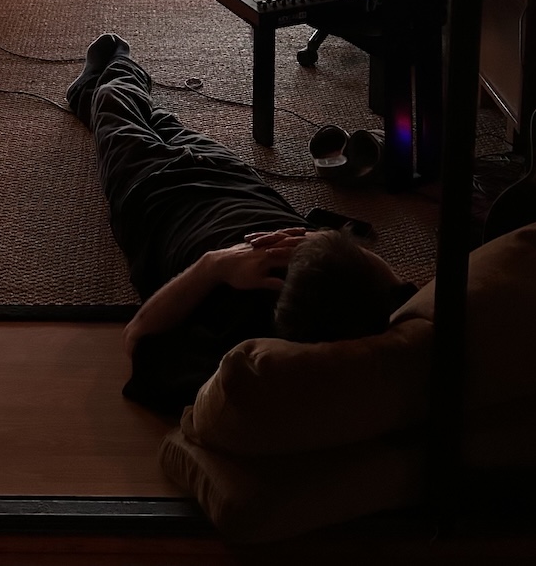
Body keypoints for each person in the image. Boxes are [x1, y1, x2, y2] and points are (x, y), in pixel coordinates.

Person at [67, 34, 417, 415]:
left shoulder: (237, 347)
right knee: (162, 120)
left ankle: (107, 77)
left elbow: (136, 337)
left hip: (154, 194)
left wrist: (215, 265)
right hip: (232, 176)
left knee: (113, 103)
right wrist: (329, 244)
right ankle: (103, 92)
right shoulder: (369, 300)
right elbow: (397, 286)